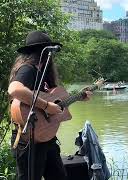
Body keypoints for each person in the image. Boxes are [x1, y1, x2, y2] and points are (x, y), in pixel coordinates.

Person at [8, 31, 92, 180]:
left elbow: (57, 101)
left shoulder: (45, 73)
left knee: (59, 176)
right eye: (50, 51)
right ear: (44, 51)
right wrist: (46, 106)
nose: (52, 55)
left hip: (47, 138)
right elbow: (14, 89)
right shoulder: (28, 69)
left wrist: (79, 97)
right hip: (29, 142)